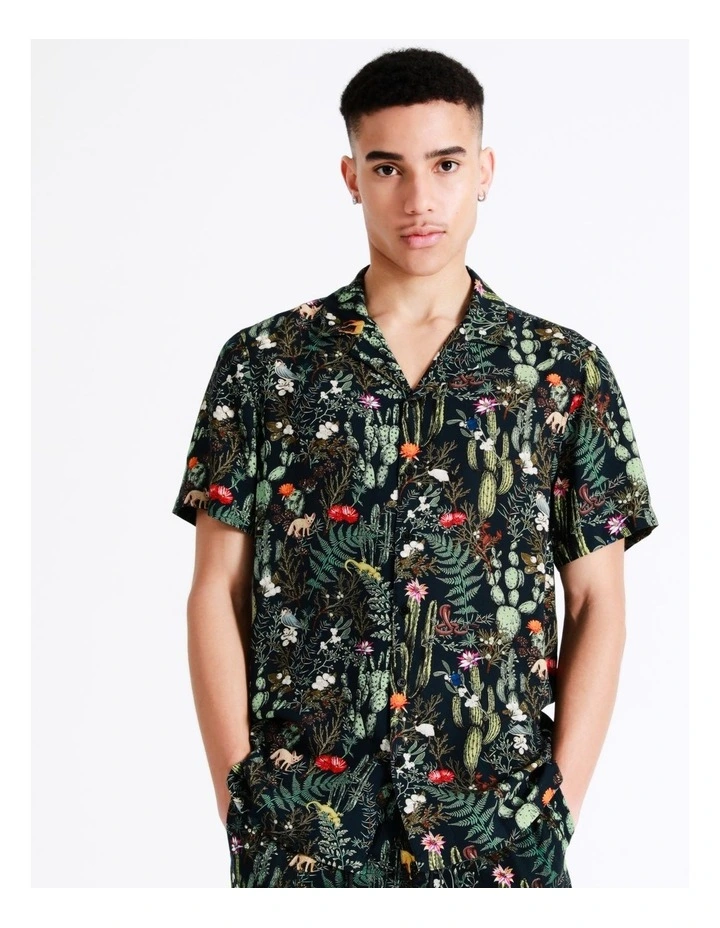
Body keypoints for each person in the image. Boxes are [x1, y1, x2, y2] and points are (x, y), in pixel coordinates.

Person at [172, 47, 658, 889]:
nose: (419, 199)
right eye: (388, 167)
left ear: (485, 170)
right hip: (306, 831)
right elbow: (217, 588)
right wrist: (242, 800)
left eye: (445, 164)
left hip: (497, 833)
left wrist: (556, 809)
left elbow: (596, 601)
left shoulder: (560, 372)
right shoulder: (264, 363)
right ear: (351, 177)